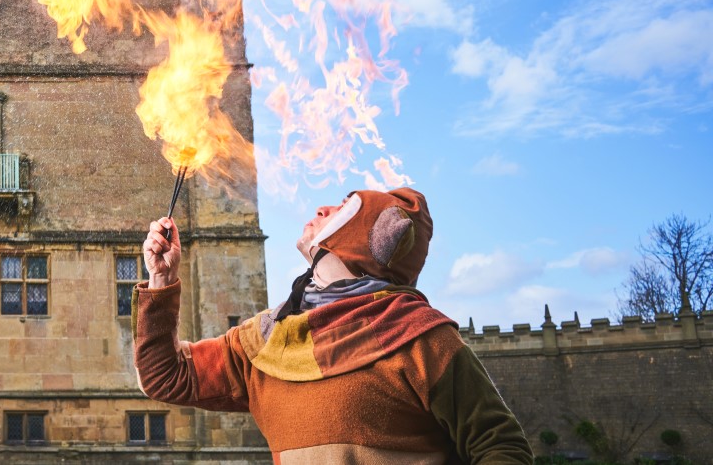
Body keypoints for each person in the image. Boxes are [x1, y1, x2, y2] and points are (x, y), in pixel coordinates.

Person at [135, 187, 533, 464]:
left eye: (346, 207)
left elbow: (501, 446)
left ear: (381, 236)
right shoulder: (265, 342)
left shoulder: (421, 339)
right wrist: (162, 282)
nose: (323, 208)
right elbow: (166, 376)